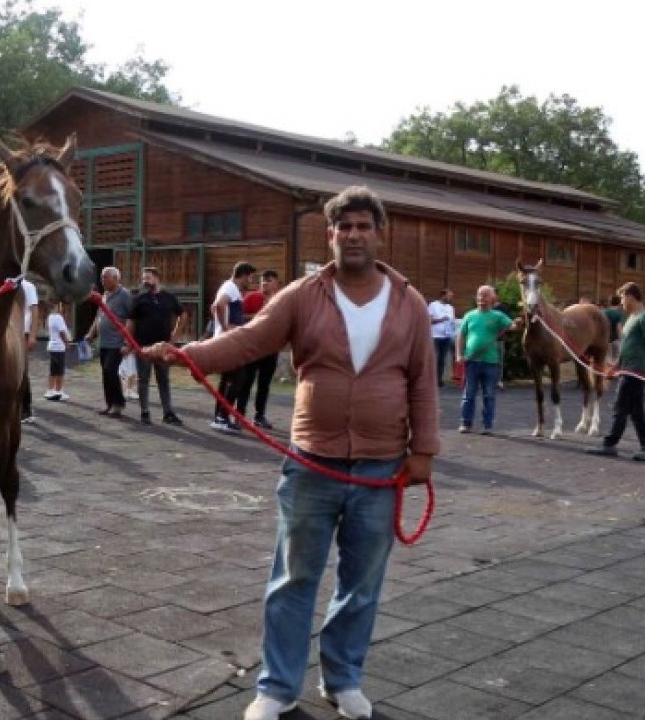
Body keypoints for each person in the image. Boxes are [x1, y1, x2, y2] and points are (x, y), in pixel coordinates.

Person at [143, 186, 438, 720]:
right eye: (343, 226)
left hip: (381, 465)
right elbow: (249, 340)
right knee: (293, 579)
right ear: (330, 235)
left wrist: (425, 452)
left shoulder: (408, 302)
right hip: (311, 463)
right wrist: (189, 355)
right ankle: (277, 688)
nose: (352, 235)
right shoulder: (303, 295)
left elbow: (423, 381)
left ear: (378, 233)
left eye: (362, 226)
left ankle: (343, 678)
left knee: (362, 584)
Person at [588, 282, 645, 461]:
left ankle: (610, 444)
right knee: (636, 411)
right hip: (627, 369)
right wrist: (614, 368)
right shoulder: (631, 319)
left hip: (636, 371)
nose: (621, 302)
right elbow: (627, 347)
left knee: (621, 407)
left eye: (622, 298)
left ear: (630, 296)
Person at [125, 266, 185, 425]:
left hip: (163, 346)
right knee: (143, 379)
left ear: (157, 278)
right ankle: (145, 411)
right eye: (144, 278)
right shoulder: (138, 299)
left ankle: (168, 412)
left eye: (148, 278)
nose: (145, 281)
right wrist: (129, 342)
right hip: (143, 346)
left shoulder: (169, 298)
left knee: (163, 379)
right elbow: (130, 322)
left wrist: (174, 337)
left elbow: (182, 314)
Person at [455, 285, 514, 435]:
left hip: (490, 362)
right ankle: (465, 423)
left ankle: (487, 426)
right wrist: (458, 355)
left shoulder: (498, 316)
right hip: (471, 361)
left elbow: (512, 326)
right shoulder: (469, 315)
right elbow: (461, 337)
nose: (482, 298)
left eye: (486, 295)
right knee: (468, 395)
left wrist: (517, 323)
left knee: (489, 395)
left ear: (492, 298)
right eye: (480, 295)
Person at [209, 261, 256, 432]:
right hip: (229, 341)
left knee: (227, 380)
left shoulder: (229, 287)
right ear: (243, 275)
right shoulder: (230, 288)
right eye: (250, 277)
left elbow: (214, 307)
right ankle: (221, 417)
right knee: (238, 379)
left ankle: (219, 415)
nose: (250, 281)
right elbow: (218, 305)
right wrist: (226, 326)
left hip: (226, 339)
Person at [83, 266, 131, 417]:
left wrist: (126, 342)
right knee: (105, 373)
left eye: (106, 277)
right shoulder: (104, 295)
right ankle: (109, 404)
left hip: (117, 342)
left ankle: (118, 404)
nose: (102, 280)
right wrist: (91, 334)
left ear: (116, 279)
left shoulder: (125, 295)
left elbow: (131, 319)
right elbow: (99, 317)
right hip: (103, 342)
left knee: (111, 371)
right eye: (102, 277)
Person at [237, 269, 282, 428]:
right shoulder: (251, 297)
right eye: (263, 280)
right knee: (246, 381)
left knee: (264, 384)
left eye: (269, 280)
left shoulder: (281, 300)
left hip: (271, 348)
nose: (265, 283)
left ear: (276, 283)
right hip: (252, 346)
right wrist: (257, 316)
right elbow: (239, 317)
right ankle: (239, 415)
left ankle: (259, 416)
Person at [19, 278, 41, 423]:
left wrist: (33, 335)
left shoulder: (27, 286)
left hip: (23, 332)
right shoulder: (6, 284)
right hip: (10, 331)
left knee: (22, 370)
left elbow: (34, 311)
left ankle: (26, 409)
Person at [427, 289, 456, 388]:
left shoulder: (450, 308)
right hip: (435, 336)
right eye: (449, 296)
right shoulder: (433, 305)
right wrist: (442, 319)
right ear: (442, 296)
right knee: (434, 358)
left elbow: (452, 321)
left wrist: (452, 326)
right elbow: (429, 321)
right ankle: (430, 379)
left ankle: (439, 379)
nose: (450, 298)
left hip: (446, 336)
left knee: (442, 359)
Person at [44, 302, 72, 401]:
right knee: (59, 371)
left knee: (53, 370)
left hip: (53, 346)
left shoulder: (50, 317)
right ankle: (59, 391)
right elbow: (62, 332)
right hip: (59, 347)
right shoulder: (58, 317)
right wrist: (67, 343)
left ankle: (50, 390)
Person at [603, 294, 625, 363]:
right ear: (619, 303)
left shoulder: (603, 312)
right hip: (615, 340)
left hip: (605, 340)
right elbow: (618, 328)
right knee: (616, 360)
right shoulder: (617, 314)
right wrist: (622, 339)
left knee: (607, 360)